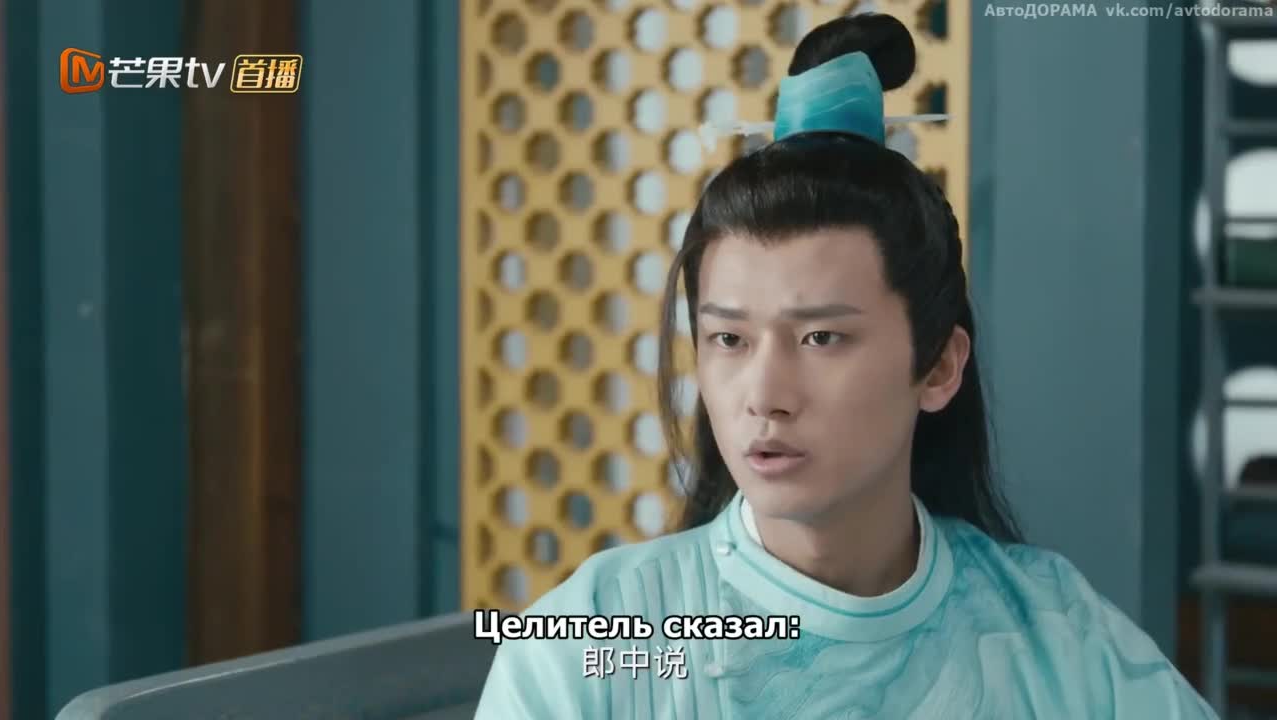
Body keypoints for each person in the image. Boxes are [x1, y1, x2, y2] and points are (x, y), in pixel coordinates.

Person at [475, 12, 1216, 719]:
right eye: (729, 340)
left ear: (939, 367)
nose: (764, 396)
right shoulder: (592, 643)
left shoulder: (1057, 635)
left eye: (822, 338)